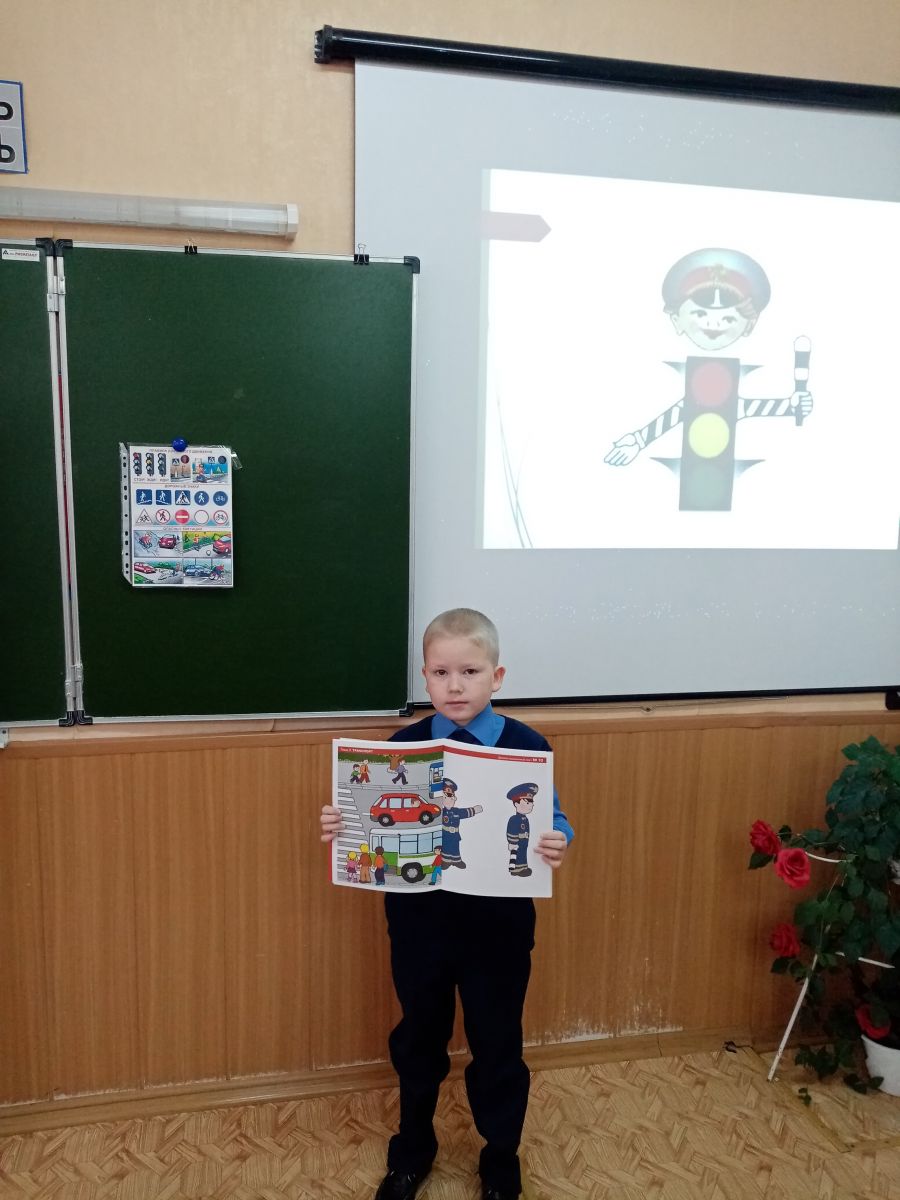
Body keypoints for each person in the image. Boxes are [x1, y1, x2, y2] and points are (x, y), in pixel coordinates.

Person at [321, 607, 574, 1200]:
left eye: (470, 671)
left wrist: (557, 838)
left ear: (497, 676)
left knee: (498, 1043)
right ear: (425, 677)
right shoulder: (402, 748)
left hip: (499, 929)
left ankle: (500, 1156)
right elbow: (369, 821)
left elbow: (552, 817)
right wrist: (343, 824)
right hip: (420, 926)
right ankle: (413, 1149)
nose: (455, 686)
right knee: (418, 1039)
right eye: (441, 673)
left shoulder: (526, 746)